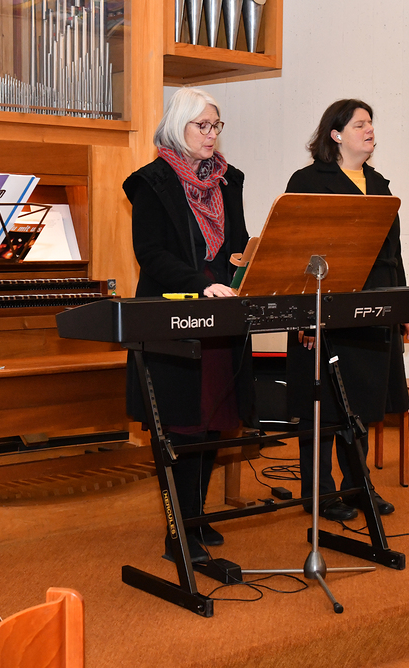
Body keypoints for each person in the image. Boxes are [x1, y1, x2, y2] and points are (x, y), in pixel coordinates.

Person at [122, 87, 255, 564]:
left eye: (216, 125)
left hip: (221, 317)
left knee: (214, 421)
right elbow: (151, 254)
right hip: (174, 317)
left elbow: (237, 243)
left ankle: (194, 517)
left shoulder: (229, 180)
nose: (212, 133)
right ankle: (177, 531)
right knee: (181, 426)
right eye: (203, 125)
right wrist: (202, 285)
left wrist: (246, 271)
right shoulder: (152, 182)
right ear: (179, 126)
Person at [284, 99, 409, 522]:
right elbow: (296, 252)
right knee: (322, 407)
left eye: (371, 123)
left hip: (373, 307)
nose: (369, 129)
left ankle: (357, 486)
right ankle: (319, 494)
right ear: (336, 134)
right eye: (359, 124)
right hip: (324, 306)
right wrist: (305, 316)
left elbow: (393, 252)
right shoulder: (307, 181)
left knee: (362, 402)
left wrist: (399, 306)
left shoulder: (379, 185)